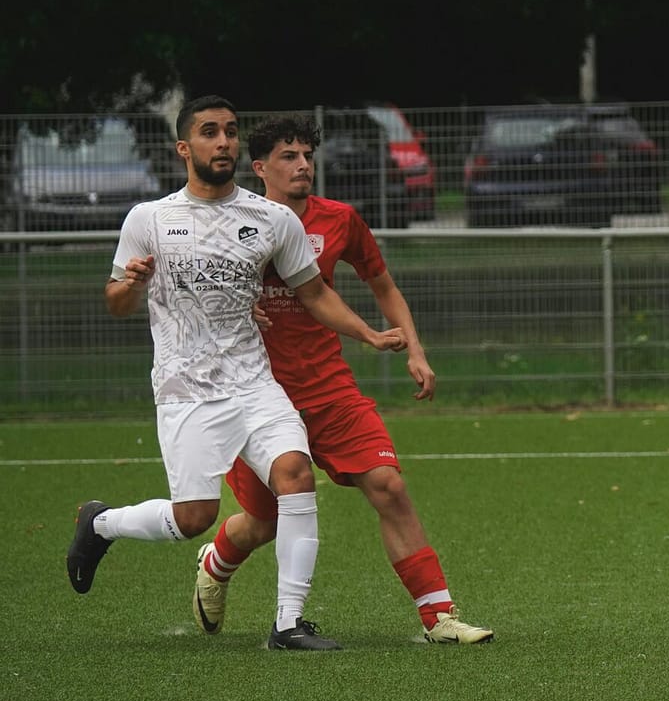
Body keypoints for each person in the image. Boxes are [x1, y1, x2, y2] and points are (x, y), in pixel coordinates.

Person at [66, 96, 407, 651]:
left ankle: (288, 624)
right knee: (194, 518)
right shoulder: (149, 219)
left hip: (255, 383)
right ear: (185, 148)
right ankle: (101, 523)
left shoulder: (271, 218)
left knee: (294, 474)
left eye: (228, 131)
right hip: (187, 390)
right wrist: (130, 283)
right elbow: (117, 304)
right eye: (208, 132)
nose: (222, 141)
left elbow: (315, 292)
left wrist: (367, 333)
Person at [190, 114, 494, 646]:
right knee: (263, 523)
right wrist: (237, 310)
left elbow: (383, 285)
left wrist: (414, 350)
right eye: (289, 156)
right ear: (260, 167)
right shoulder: (229, 222)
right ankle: (216, 563)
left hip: (329, 387)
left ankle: (438, 617)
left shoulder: (339, 220)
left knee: (389, 486)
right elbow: (193, 292)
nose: (303, 165)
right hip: (256, 392)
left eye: (308, 155)